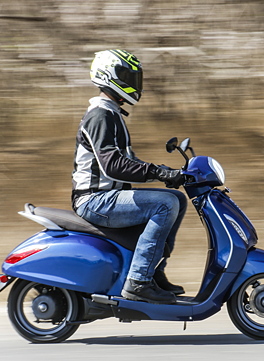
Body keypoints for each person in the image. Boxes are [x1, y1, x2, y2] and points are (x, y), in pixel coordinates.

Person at [71, 49, 187, 304]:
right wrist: (157, 172)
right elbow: (113, 166)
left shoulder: (112, 114)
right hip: (95, 200)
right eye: (126, 76)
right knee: (165, 205)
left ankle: (153, 270)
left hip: (109, 196)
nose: (134, 83)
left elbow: (129, 162)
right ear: (108, 76)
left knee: (175, 199)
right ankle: (139, 281)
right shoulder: (100, 116)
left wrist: (167, 174)